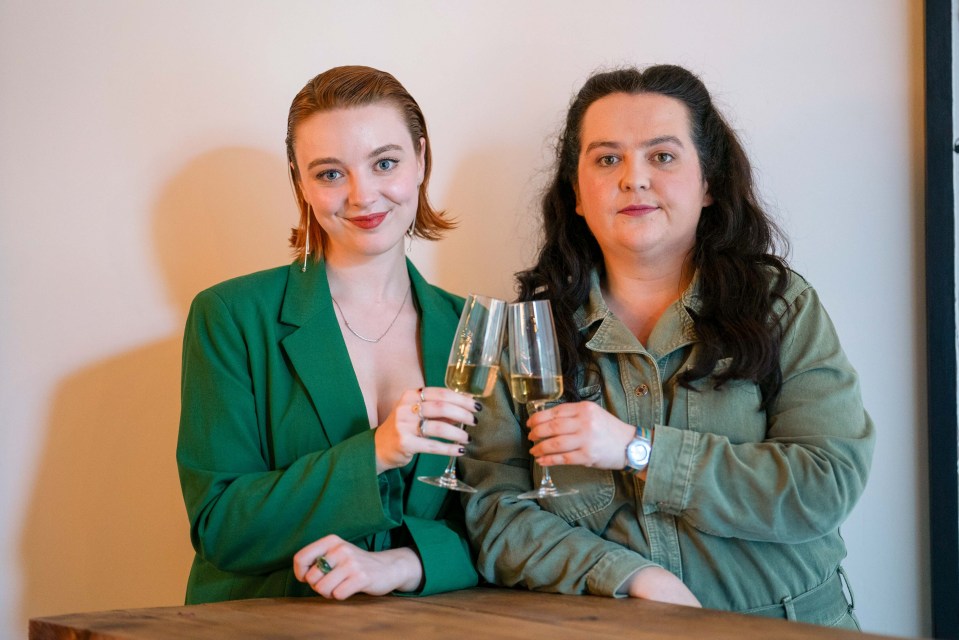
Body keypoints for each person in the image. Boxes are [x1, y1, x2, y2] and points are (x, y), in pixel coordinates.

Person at [460, 65, 874, 630]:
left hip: (790, 624)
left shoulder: (782, 306)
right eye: (607, 159)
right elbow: (496, 512)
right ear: (577, 196)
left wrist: (639, 449)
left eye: (662, 156)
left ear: (708, 185)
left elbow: (826, 483)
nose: (634, 179)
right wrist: (627, 577)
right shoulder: (529, 332)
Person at [176, 65, 480, 604]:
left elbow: (508, 518)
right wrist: (377, 452)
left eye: (384, 163)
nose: (363, 196)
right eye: (331, 173)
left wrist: (406, 563)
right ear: (300, 181)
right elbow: (221, 525)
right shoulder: (229, 316)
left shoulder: (473, 329)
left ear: (421, 161)